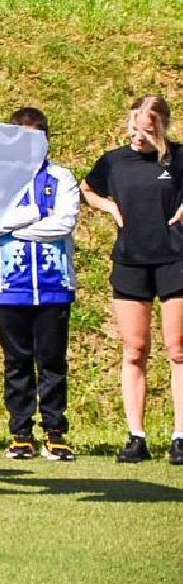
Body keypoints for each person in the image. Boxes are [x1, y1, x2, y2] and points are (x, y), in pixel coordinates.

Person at [82, 95, 183, 464]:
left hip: (175, 260)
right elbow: (88, 188)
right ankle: (136, 437)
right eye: (133, 127)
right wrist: (109, 206)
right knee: (134, 350)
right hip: (130, 262)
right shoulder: (114, 161)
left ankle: (180, 436)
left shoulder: (178, 158)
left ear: (161, 126)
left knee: (178, 350)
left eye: (147, 129)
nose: (138, 135)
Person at [0, 107, 81, 461]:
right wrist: (33, 215)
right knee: (17, 363)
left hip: (54, 283)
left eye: (37, 138)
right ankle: (21, 433)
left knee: (53, 361)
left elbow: (64, 223)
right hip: (10, 285)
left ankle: (56, 433)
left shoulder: (62, 176)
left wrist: (18, 226)